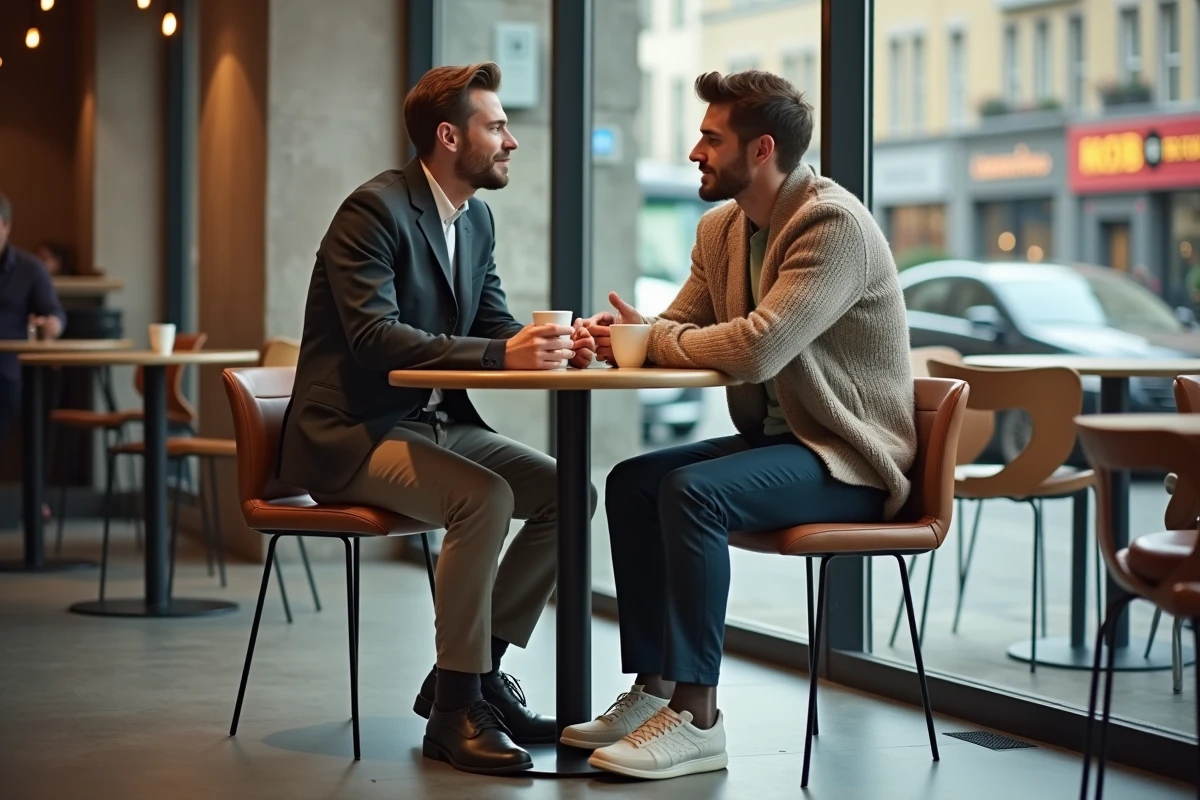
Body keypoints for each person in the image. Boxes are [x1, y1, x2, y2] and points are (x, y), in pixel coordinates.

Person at [564, 70, 918, 780]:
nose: (696, 150)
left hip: (850, 460)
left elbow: (757, 346)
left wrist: (660, 340)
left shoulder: (832, 225)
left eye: (709, 137)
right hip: (784, 445)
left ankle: (699, 720)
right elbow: (685, 324)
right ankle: (655, 690)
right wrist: (631, 333)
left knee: (695, 492)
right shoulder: (724, 227)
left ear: (761, 149)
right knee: (635, 482)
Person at [278, 62, 596, 776]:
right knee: (482, 497)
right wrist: (501, 351)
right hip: (356, 431)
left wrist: (559, 345)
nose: (512, 140)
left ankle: (475, 674)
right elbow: (373, 338)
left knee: (571, 492)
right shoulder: (373, 211)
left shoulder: (475, 219)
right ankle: (453, 713)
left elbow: (491, 325)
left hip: (434, 423)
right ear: (450, 137)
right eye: (497, 125)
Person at [0, 193, 66, 520]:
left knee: (16, 398)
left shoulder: (29, 268)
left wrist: (50, 324)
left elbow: (55, 315)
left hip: (13, 370)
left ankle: (36, 500)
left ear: (6, 226)